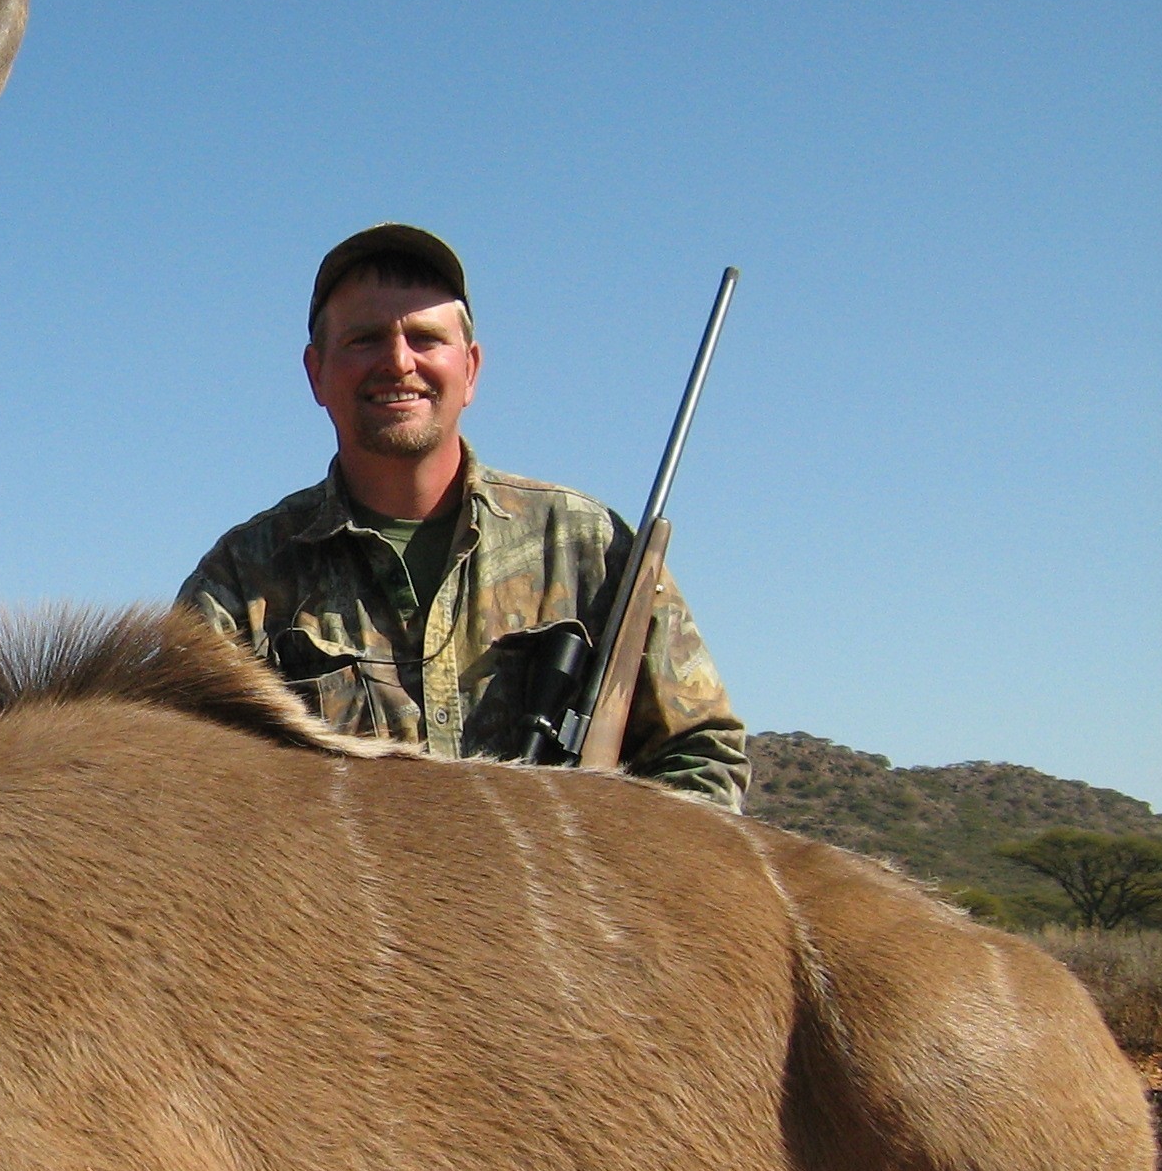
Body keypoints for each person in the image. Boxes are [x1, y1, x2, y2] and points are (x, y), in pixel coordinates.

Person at [178, 223, 749, 810]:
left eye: (425, 338)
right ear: (316, 373)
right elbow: (182, 792)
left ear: (471, 369)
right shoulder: (239, 583)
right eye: (364, 340)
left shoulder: (587, 546)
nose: (398, 362)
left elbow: (704, 755)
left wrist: (602, 876)